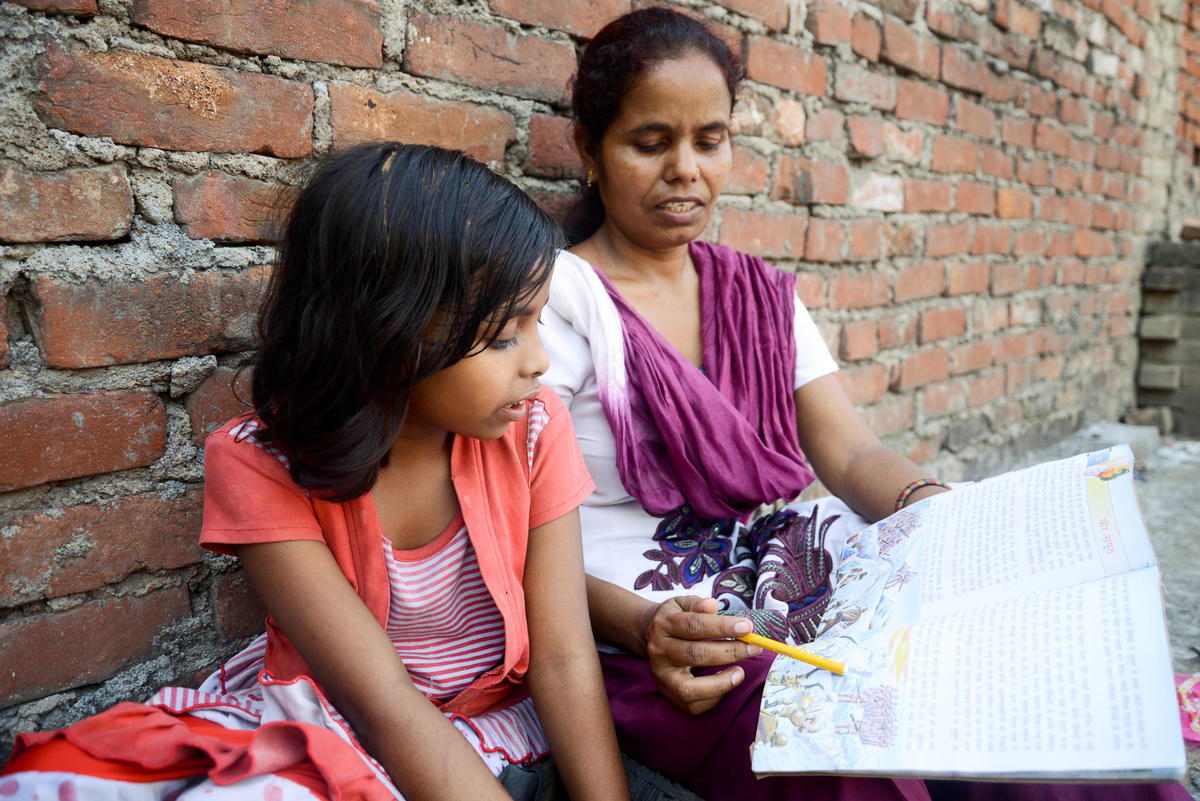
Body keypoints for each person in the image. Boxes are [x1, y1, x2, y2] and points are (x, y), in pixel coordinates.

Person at [540, 8, 1193, 801]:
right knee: (856, 746)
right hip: (664, 644)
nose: (686, 169)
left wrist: (947, 518)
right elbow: (519, 542)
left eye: (709, 141)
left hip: (790, 581)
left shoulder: (757, 297)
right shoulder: (550, 308)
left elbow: (848, 454)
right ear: (589, 149)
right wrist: (644, 627)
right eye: (651, 143)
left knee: (1023, 695)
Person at [1, 143, 631, 801]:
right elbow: (380, 698)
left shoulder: (533, 428)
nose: (539, 362)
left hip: (481, 728)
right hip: (337, 713)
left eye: (539, 325)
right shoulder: (261, 465)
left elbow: (562, 659)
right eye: (505, 335)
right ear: (391, 327)